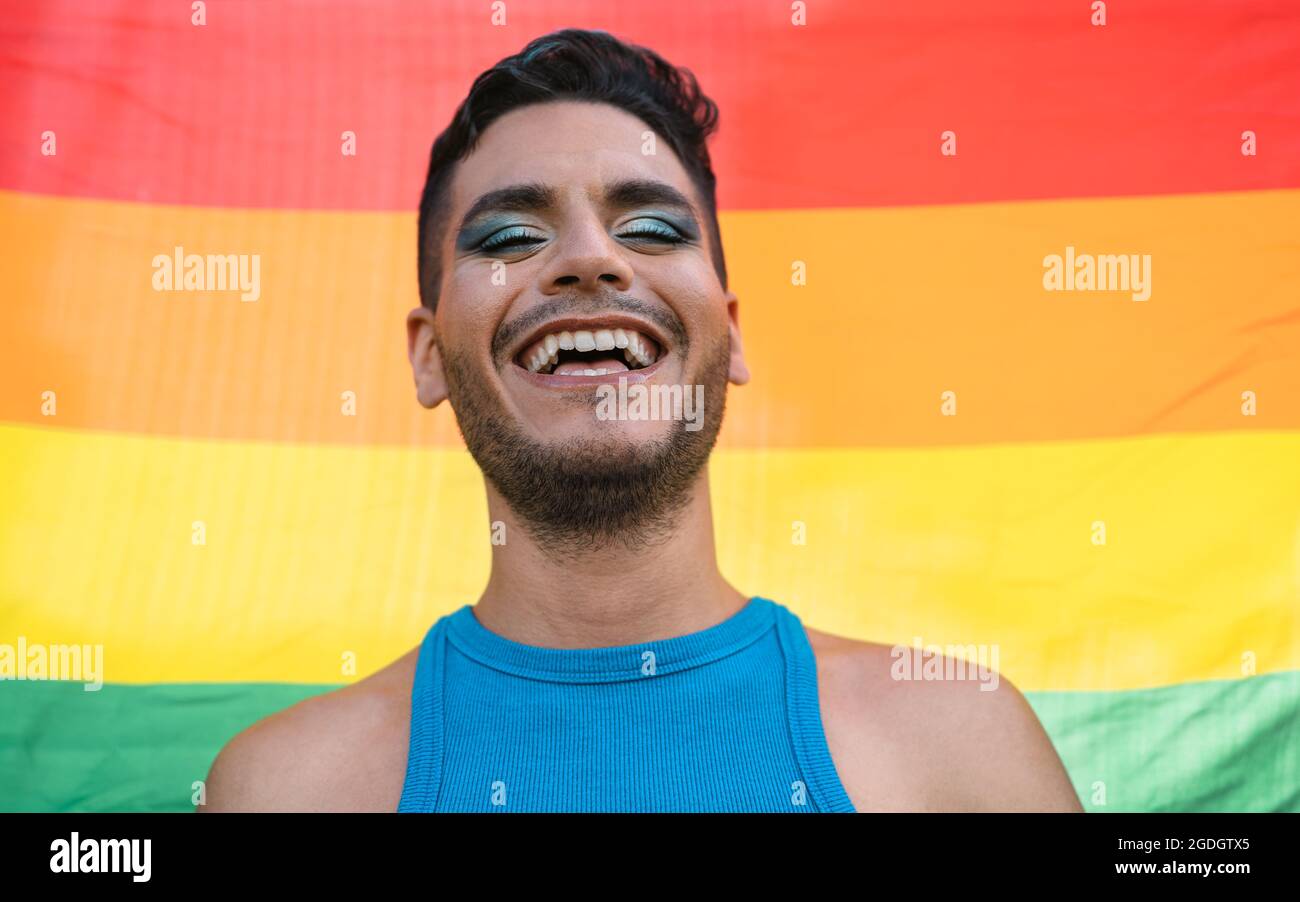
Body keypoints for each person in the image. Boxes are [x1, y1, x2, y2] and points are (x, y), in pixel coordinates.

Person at [200, 28, 1083, 813]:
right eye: (509, 238)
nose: (589, 258)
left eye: (653, 228)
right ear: (428, 355)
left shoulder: (959, 743)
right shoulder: (283, 789)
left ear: (729, 335)